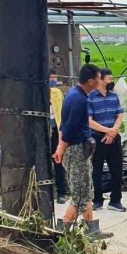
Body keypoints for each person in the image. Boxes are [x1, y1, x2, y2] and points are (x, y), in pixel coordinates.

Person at [52, 64, 101, 224]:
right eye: (99, 78)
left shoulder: (73, 94)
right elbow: (70, 127)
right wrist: (61, 149)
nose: (101, 82)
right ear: (91, 81)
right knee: (80, 196)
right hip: (76, 151)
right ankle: (62, 229)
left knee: (87, 191)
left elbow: (63, 125)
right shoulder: (79, 99)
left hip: (78, 150)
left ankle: (90, 228)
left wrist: (61, 147)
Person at [88, 68, 126, 212]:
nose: (111, 81)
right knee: (96, 170)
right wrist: (107, 131)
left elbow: (119, 115)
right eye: (109, 79)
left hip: (113, 137)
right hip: (97, 138)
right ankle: (97, 200)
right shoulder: (90, 97)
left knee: (117, 169)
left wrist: (113, 131)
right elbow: (89, 121)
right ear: (101, 80)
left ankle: (115, 200)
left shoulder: (114, 96)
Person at [49, 69, 68, 203]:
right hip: (43, 131)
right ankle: (47, 192)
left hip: (56, 129)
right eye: (51, 78)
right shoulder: (37, 92)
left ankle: (61, 192)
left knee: (58, 161)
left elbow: (62, 113)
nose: (54, 80)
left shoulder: (57, 92)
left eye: (55, 77)